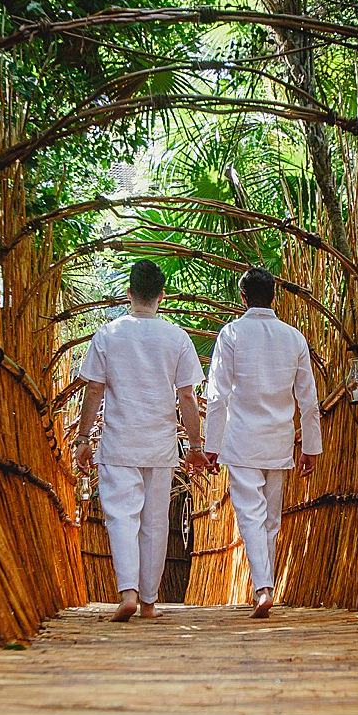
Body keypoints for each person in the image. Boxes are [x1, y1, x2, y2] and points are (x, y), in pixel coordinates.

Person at [73, 259, 206, 622]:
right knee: (154, 523)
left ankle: (128, 592)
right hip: (160, 445)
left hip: (119, 444)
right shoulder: (177, 337)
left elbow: (95, 389)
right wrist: (194, 446)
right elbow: (188, 397)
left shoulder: (108, 334)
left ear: (129, 293)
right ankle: (148, 603)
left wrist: (84, 438)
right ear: (162, 295)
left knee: (121, 518)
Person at [202, 267, 321, 619]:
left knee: (251, 517)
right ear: (274, 296)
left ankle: (263, 587)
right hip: (279, 441)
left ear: (242, 298)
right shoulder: (294, 338)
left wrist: (212, 443)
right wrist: (311, 447)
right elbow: (308, 399)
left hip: (240, 442)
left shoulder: (232, 334)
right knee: (271, 519)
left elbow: (217, 394)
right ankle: (265, 585)